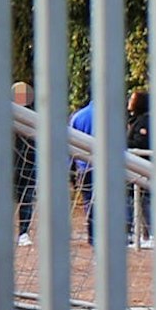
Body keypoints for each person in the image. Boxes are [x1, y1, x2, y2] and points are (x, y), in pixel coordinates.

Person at [125, 90, 152, 247]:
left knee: (144, 200)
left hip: (142, 168)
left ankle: (149, 233)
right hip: (134, 169)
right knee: (136, 200)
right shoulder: (134, 120)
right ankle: (141, 233)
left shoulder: (144, 121)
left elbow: (141, 142)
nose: (129, 101)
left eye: (132, 99)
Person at [12, 82, 37, 246]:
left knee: (26, 199)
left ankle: (23, 232)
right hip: (7, 165)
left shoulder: (34, 118)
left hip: (28, 165)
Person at [70, 98, 95, 243]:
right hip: (108, 166)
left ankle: (92, 234)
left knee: (89, 200)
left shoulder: (78, 116)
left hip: (84, 166)